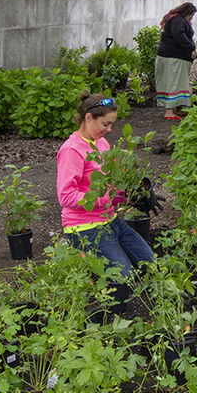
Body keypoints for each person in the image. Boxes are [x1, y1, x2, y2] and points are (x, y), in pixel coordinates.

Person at [57, 92, 157, 285]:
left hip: (109, 221)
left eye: (111, 124)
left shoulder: (102, 144)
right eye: (105, 124)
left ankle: (97, 260)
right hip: (84, 228)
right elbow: (66, 196)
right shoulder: (72, 150)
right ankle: (77, 257)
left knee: (149, 266)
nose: (110, 129)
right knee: (123, 279)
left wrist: (133, 196)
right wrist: (107, 198)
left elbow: (114, 183)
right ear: (88, 118)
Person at [155, 2, 197, 120]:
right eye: (191, 15)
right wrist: (191, 48)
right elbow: (179, 35)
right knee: (174, 82)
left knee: (174, 82)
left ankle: (177, 108)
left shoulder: (173, 20)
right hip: (174, 58)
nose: (191, 18)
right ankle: (169, 112)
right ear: (186, 13)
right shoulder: (178, 21)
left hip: (169, 56)